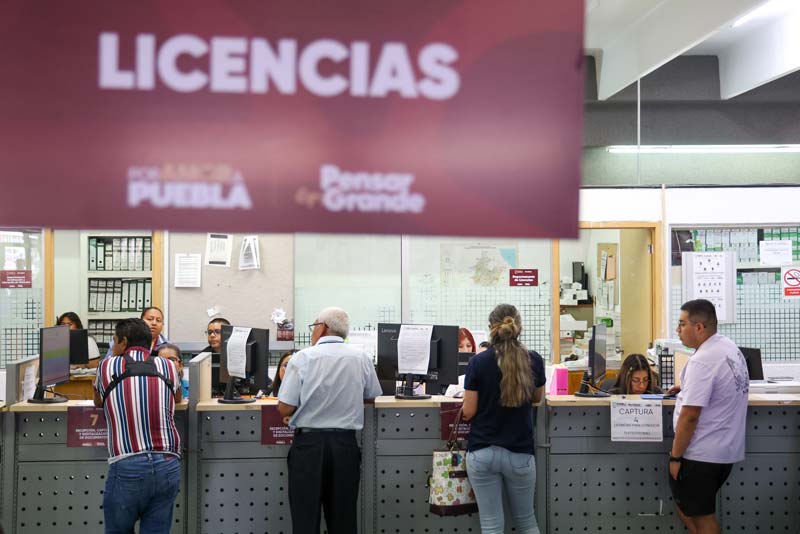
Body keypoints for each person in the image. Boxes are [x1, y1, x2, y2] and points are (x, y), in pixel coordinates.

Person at [277, 307, 382, 534]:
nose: (313, 332)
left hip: (309, 446)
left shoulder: (303, 357)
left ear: (323, 327)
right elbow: (372, 397)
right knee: (343, 519)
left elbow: (284, 406)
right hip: (345, 445)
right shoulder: (361, 357)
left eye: (314, 326)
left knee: (305, 518)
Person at [462, 303, 546, 534]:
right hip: (520, 453)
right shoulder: (534, 360)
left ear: (491, 328)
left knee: (491, 524)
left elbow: (469, 411)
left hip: (482, 452)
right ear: (519, 327)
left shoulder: (477, 362)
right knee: (527, 521)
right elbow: (537, 398)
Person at [93, 318, 182, 534]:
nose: (112, 346)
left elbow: (97, 401)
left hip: (127, 463)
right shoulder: (169, 365)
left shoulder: (106, 366)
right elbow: (178, 397)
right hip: (168, 463)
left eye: (114, 341)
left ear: (123, 342)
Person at [668, 299, 748, 534]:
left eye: (682, 324)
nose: (678, 330)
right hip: (722, 451)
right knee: (694, 513)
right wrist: (687, 389)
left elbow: (690, 416)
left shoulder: (703, 360)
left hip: (701, 454)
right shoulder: (728, 348)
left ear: (699, 327)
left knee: (702, 520)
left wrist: (675, 457)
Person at [105, 307, 170, 358]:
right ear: (141, 321)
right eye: (150, 319)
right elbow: (108, 362)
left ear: (163, 324)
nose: (154, 323)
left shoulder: (168, 346)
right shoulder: (121, 341)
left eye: (158, 320)